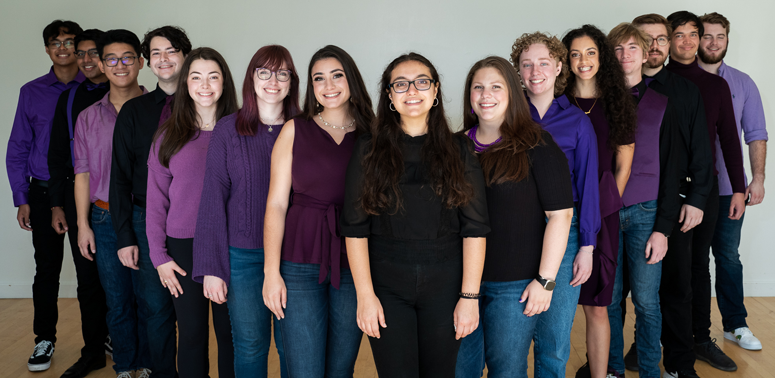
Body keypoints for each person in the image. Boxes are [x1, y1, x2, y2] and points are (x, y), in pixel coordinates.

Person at [340, 52, 489, 378]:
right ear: (390, 95)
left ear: (435, 91)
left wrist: (469, 297)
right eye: (401, 84)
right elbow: (354, 229)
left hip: (446, 285)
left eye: (422, 82)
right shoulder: (368, 149)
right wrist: (365, 296)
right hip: (386, 286)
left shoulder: (459, 149)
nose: (412, 91)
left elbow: (475, 229)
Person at [455, 56, 574, 378]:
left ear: (512, 93)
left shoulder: (537, 144)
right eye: (478, 87)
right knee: (459, 369)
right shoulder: (455, 147)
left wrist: (546, 282)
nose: (486, 95)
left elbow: (561, 216)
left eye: (496, 86)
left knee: (506, 370)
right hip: (459, 283)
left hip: (515, 286)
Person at [262, 45, 373, 377]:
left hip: (354, 262)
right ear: (311, 87)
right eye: (318, 79)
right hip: (298, 260)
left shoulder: (374, 134)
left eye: (337, 75)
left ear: (351, 79)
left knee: (340, 368)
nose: (329, 85)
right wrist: (271, 272)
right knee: (303, 368)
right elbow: (277, 204)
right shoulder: (295, 129)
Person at [192, 44, 298, 378]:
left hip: (295, 256)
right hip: (243, 258)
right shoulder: (227, 129)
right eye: (263, 72)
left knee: (291, 345)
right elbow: (212, 198)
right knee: (250, 345)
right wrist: (212, 266)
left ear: (292, 81)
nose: (273, 80)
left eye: (282, 73)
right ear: (251, 79)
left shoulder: (304, 129)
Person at [510, 31, 601, 378]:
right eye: (527, 64)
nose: (535, 71)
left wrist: (588, 246)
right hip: (515, 232)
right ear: (518, 70)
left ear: (560, 66)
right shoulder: (507, 116)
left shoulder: (578, 121)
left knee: (554, 341)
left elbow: (588, 185)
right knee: (513, 338)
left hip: (567, 233)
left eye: (543, 63)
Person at [631, 14, 716, 378]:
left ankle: (680, 365)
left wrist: (697, 198)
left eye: (661, 39)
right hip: (628, 204)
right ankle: (618, 361)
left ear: (668, 45)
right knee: (622, 291)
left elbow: (702, 148)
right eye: (645, 39)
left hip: (677, 204)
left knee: (677, 288)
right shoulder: (616, 90)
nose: (654, 46)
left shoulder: (685, 90)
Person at [147, 47, 238, 378]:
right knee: (193, 335)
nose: (205, 85)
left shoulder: (243, 132)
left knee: (231, 336)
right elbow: (156, 202)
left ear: (224, 83)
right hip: (182, 247)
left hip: (232, 245)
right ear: (185, 84)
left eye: (213, 76)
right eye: (196, 77)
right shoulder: (167, 136)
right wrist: (159, 257)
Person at [606, 22, 691, 378]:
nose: (626, 56)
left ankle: (650, 373)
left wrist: (663, 229)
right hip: (606, 212)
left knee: (646, 302)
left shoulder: (663, 103)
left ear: (645, 54)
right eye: (618, 50)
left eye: (632, 49)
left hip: (647, 213)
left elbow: (673, 169)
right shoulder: (598, 103)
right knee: (608, 301)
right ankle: (611, 370)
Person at [664, 10, 746, 375]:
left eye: (692, 34)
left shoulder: (716, 86)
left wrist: (740, 190)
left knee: (698, 268)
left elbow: (729, 139)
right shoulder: (654, 82)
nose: (686, 42)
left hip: (705, 191)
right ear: (666, 40)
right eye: (677, 35)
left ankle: (699, 338)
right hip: (662, 192)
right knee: (662, 271)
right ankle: (650, 340)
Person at [109, 26, 191, 378]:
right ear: (147, 62)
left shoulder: (209, 103)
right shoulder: (134, 111)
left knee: (193, 310)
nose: (164, 58)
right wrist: (125, 236)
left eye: (171, 50)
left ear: (185, 55)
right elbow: (120, 178)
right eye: (156, 53)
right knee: (155, 308)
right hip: (147, 221)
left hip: (195, 221)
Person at [6, 19, 85, 373]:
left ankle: (102, 336)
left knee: (94, 271)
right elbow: (18, 146)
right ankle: (45, 338)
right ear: (48, 49)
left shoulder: (96, 88)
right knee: (47, 270)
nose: (64, 48)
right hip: (40, 193)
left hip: (84, 192)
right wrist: (21, 196)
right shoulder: (32, 91)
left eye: (70, 41)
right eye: (57, 42)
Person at [72, 29, 149, 378]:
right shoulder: (88, 117)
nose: (120, 65)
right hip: (103, 219)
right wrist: (83, 224)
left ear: (141, 62)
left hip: (149, 217)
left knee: (151, 301)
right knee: (116, 301)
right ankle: (126, 367)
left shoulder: (161, 110)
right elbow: (83, 175)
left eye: (128, 57)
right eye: (112, 59)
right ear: (102, 64)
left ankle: (151, 366)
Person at [561, 25, 637, 378]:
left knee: (596, 305)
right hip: (557, 210)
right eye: (575, 54)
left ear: (602, 56)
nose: (583, 60)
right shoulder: (555, 102)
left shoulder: (617, 101)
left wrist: (606, 203)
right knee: (552, 302)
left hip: (601, 213)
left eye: (590, 52)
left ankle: (600, 374)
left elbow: (624, 160)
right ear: (565, 61)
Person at [698, 11, 767, 352]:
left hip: (729, 190)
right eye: (706, 36)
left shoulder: (742, 83)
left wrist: (757, 179)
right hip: (688, 190)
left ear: (727, 40)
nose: (713, 42)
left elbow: (756, 134)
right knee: (687, 263)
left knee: (727, 256)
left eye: (719, 36)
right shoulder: (678, 80)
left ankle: (735, 325)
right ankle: (688, 332)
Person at [46, 28, 111, 378]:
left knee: (127, 277)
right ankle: (93, 350)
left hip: (121, 200)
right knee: (87, 278)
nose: (85, 60)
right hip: (79, 198)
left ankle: (130, 345)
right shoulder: (69, 100)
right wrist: (58, 206)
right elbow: (56, 155)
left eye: (93, 53)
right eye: (81, 52)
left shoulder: (131, 97)